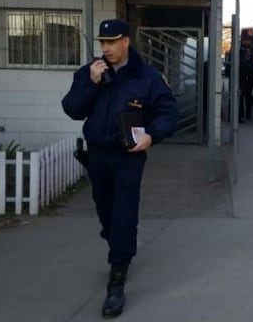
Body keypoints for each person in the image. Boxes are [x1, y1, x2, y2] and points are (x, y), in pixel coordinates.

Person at [61, 19, 177, 319]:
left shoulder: (148, 77)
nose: (106, 48)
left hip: (128, 156)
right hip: (97, 154)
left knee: (123, 213)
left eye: (112, 42)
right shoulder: (90, 73)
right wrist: (90, 82)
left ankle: (117, 278)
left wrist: (152, 135)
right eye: (102, 43)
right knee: (105, 211)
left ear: (126, 42)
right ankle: (119, 242)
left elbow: (167, 113)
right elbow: (73, 109)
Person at [238, 48, 253, 123]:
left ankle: (248, 114)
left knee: (248, 98)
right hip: (242, 82)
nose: (247, 54)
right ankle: (241, 114)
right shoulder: (241, 61)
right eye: (246, 52)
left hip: (249, 82)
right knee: (241, 99)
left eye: (248, 52)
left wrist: (249, 75)